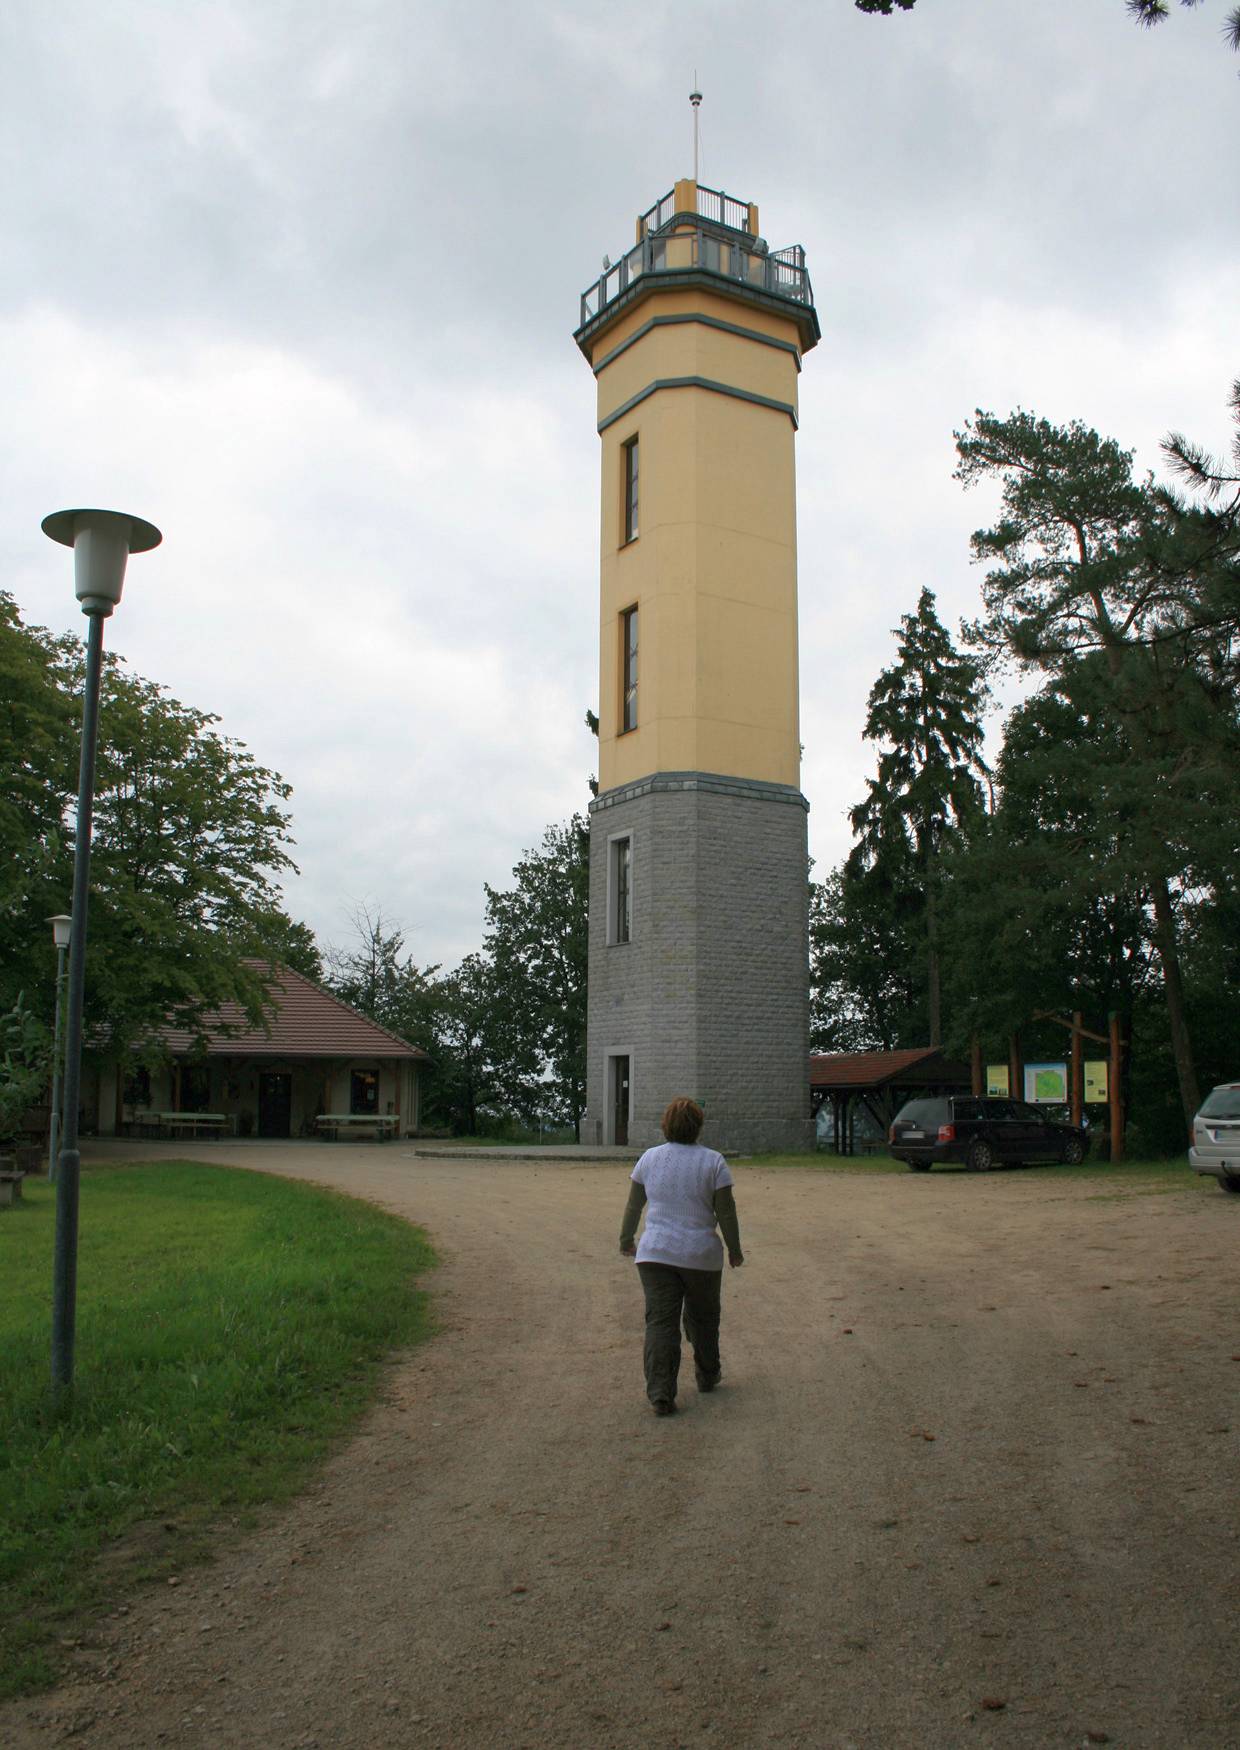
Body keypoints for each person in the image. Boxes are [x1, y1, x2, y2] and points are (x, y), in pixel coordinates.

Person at [618, 1096, 744, 1416]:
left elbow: (634, 1205)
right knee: (703, 1318)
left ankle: (661, 1391)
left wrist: (625, 1239)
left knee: (661, 1323)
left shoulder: (649, 1158)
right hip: (700, 1255)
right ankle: (707, 1373)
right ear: (698, 1126)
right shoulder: (714, 1161)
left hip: (655, 1253)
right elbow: (726, 1213)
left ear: (665, 1125)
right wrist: (735, 1250)